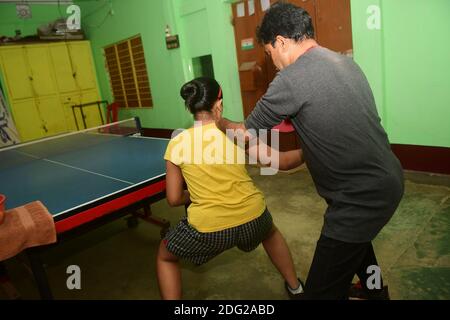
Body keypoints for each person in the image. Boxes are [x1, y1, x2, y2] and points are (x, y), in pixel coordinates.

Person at [215, 2, 404, 300]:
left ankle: (374, 292)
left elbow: (245, 132)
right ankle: (375, 288)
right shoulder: (344, 63)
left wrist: (219, 121)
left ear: (280, 42)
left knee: (321, 290)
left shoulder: (290, 79)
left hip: (358, 198)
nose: (272, 62)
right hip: (389, 178)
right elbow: (325, 133)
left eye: (269, 54)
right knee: (360, 243)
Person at [156, 77, 304, 300]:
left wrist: (195, 194)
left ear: (191, 107)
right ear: (219, 103)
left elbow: (174, 198)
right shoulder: (236, 133)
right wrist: (314, 150)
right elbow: (280, 162)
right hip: (255, 219)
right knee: (271, 232)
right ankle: (296, 288)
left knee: (165, 256)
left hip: (209, 231)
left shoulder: (177, 143)